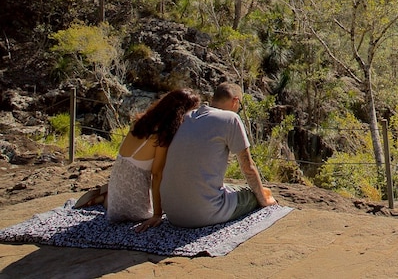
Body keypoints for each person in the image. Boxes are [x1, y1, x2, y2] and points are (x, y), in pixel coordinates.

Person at [74, 89, 201, 232]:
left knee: (120, 199)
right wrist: (157, 214)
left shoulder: (141, 121)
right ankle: (105, 197)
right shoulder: (162, 134)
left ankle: (106, 196)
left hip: (117, 183)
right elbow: (157, 175)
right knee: (174, 205)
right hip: (134, 204)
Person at [159, 82, 276, 228]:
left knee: (228, 187)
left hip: (172, 212)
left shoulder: (187, 116)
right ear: (235, 101)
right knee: (255, 195)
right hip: (203, 214)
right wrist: (264, 200)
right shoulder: (230, 119)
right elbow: (248, 168)